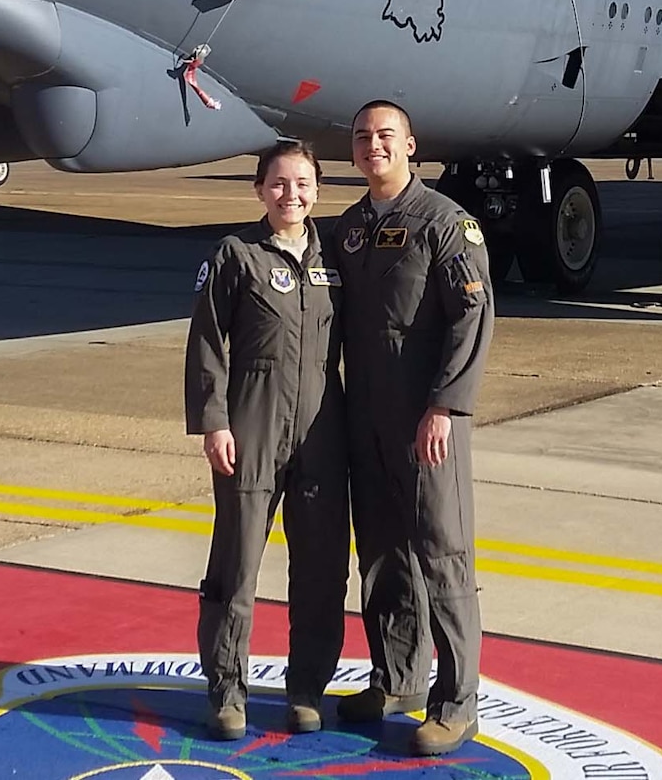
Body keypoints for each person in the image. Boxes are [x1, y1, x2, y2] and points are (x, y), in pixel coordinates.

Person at [330, 100, 494, 756]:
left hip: (425, 420)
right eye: (364, 137)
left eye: (386, 136)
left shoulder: (445, 223)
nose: (375, 145)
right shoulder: (348, 229)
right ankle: (396, 676)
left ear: (410, 145)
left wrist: (446, 406)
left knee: (442, 556)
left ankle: (456, 702)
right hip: (364, 414)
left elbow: (471, 319)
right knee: (383, 556)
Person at [185, 141, 350, 740]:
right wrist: (213, 421)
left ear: (317, 191)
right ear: (259, 190)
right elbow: (206, 340)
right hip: (251, 423)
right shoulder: (236, 255)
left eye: (303, 183)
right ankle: (228, 691)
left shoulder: (336, 257)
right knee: (237, 562)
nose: (291, 195)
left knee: (321, 566)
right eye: (278, 184)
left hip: (321, 428)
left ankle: (306, 688)